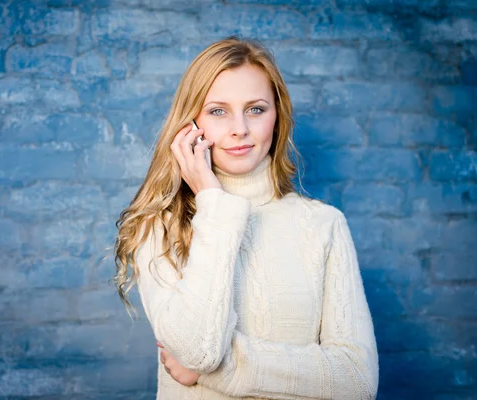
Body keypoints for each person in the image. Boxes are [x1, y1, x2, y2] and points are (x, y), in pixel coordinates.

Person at [113, 37, 379, 399]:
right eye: (218, 111)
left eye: (255, 109)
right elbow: (197, 349)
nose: (239, 128)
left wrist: (227, 368)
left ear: (277, 116)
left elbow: (357, 380)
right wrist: (213, 201)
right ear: (191, 123)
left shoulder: (324, 226)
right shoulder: (158, 226)